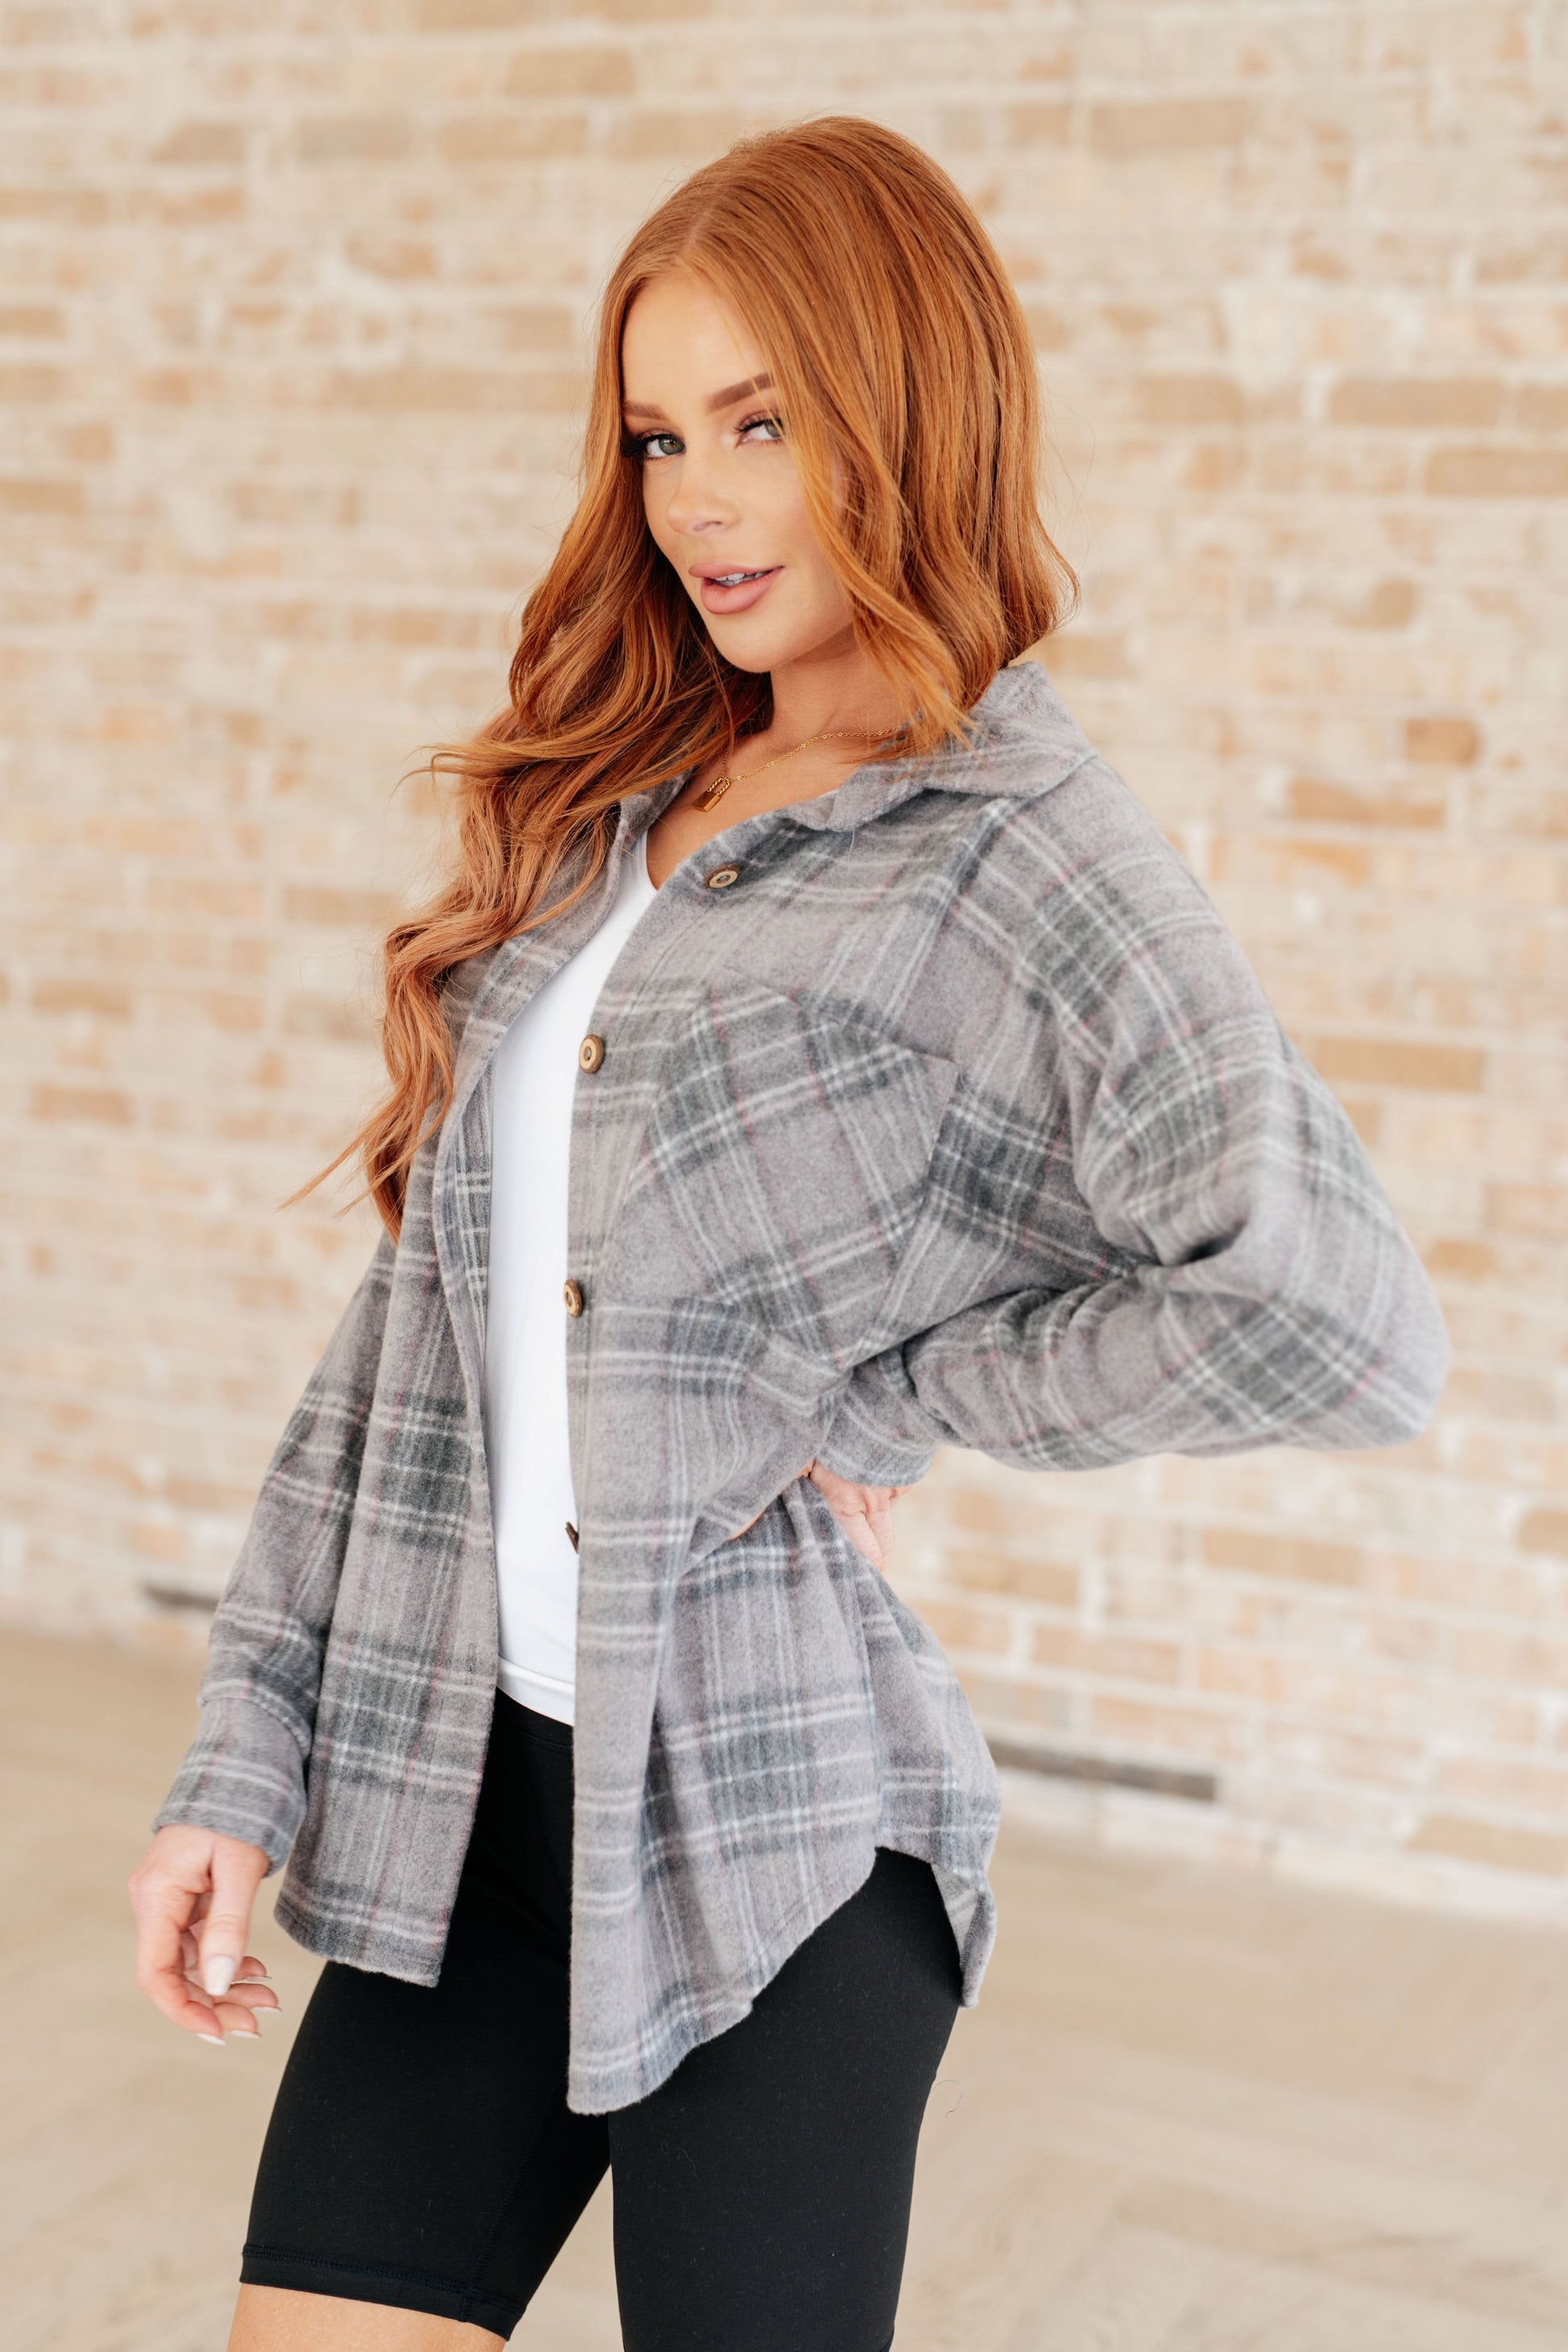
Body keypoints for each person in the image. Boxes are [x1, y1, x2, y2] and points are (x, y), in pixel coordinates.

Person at [128, 115, 1447, 2352]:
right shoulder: (612, 792)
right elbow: (406, 1355)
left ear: (910, 414)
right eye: (660, 437)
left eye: (763, 424)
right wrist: (242, 1758)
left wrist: (893, 1391)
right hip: (470, 1818)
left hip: (775, 1847)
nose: (698, 502)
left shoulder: (1027, 846)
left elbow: (1335, 1314)